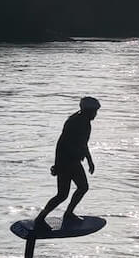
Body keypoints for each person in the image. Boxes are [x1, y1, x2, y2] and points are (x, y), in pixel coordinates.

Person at [34, 96, 100, 232]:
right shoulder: (75, 122)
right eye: (94, 111)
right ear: (87, 110)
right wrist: (57, 165)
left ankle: (68, 213)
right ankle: (41, 218)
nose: (95, 114)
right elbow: (61, 144)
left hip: (74, 161)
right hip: (67, 162)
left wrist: (89, 160)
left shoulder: (86, 122)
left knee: (80, 188)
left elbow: (83, 144)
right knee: (64, 194)